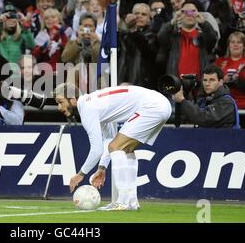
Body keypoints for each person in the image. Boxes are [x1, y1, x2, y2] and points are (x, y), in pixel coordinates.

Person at [54, 83, 172, 211]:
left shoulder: (87, 109)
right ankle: (132, 202)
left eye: (60, 102)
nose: (59, 107)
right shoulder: (94, 103)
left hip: (152, 106)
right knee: (126, 150)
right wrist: (102, 167)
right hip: (160, 104)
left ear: (72, 100)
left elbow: (97, 149)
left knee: (117, 147)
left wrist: (81, 174)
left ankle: (121, 202)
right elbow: (109, 139)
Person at [215, 31, 245, 128]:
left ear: (244, 45)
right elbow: (210, 83)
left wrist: (236, 81)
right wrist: (223, 80)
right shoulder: (220, 62)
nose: (235, 44)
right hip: (225, 105)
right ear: (228, 45)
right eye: (232, 42)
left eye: (239, 42)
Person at [173, 64, 239, 128]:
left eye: (212, 80)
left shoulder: (226, 102)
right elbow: (188, 116)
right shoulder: (206, 99)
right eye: (205, 80)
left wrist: (182, 100)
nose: (207, 84)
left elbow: (204, 119)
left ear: (221, 82)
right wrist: (184, 93)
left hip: (224, 139)